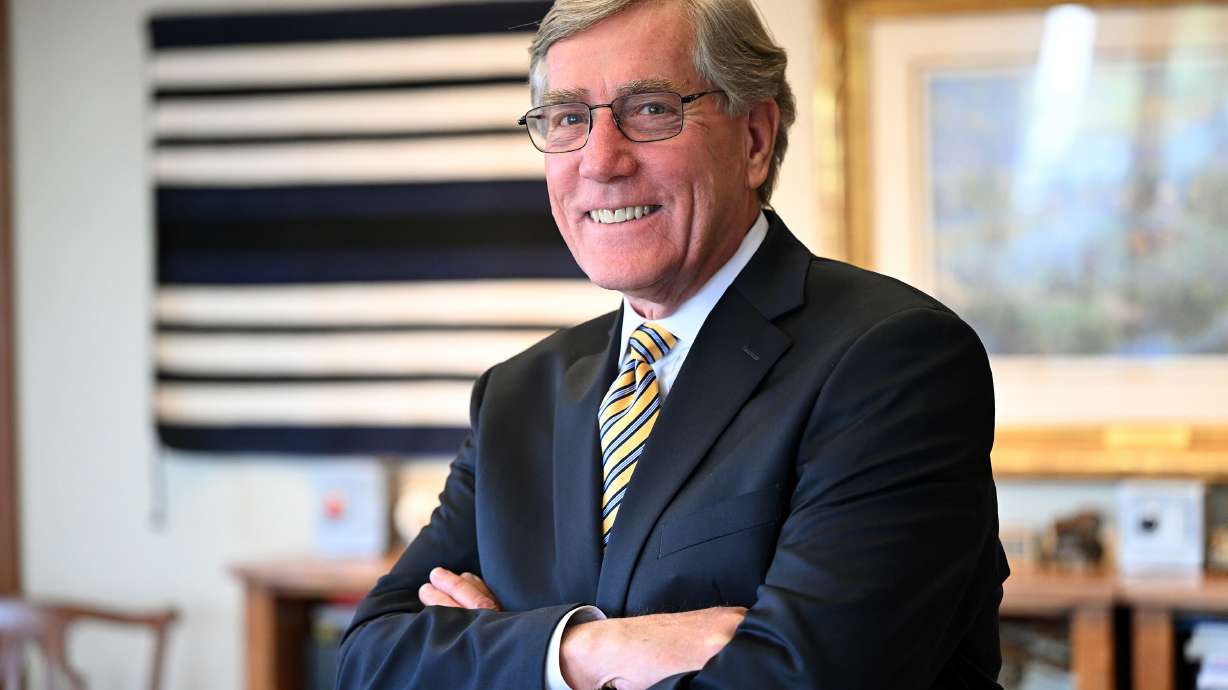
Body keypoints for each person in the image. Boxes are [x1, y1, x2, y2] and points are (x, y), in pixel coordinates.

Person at [337, 0, 1008, 687]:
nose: (600, 161)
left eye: (651, 108)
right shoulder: (518, 394)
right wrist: (579, 652)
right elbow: (370, 659)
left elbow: (804, 679)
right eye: (569, 118)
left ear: (753, 138)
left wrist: (494, 652)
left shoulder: (893, 361)